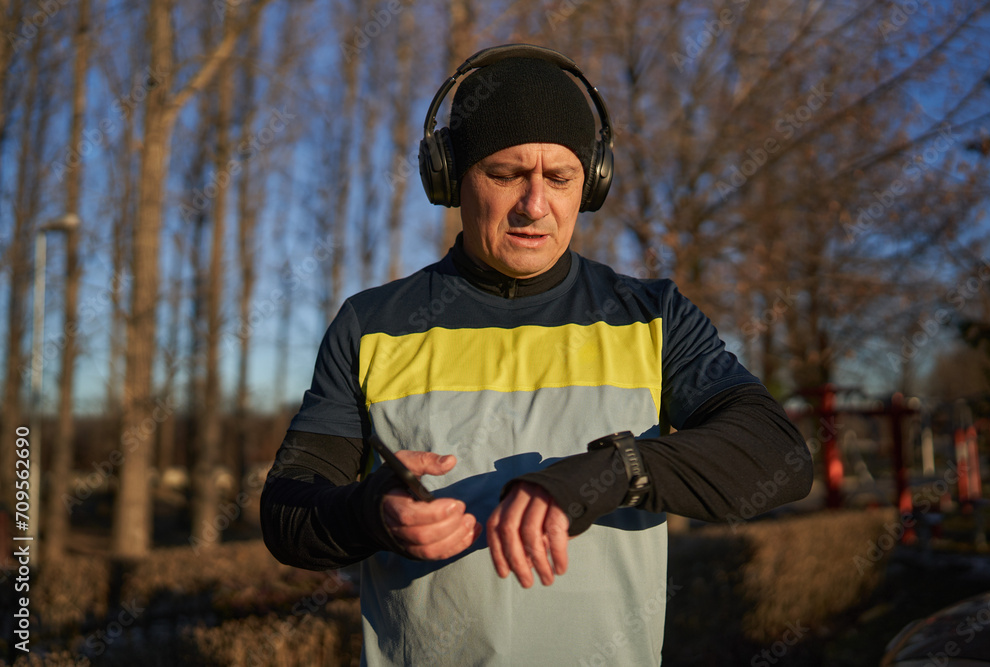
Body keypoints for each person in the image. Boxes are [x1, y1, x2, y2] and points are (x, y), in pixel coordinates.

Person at [260, 44, 813, 666]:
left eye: (560, 178)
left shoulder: (652, 316)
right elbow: (287, 513)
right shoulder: (371, 325)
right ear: (449, 176)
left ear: (592, 183)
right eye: (505, 175)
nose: (535, 205)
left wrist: (610, 473)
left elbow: (779, 456)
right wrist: (369, 512)